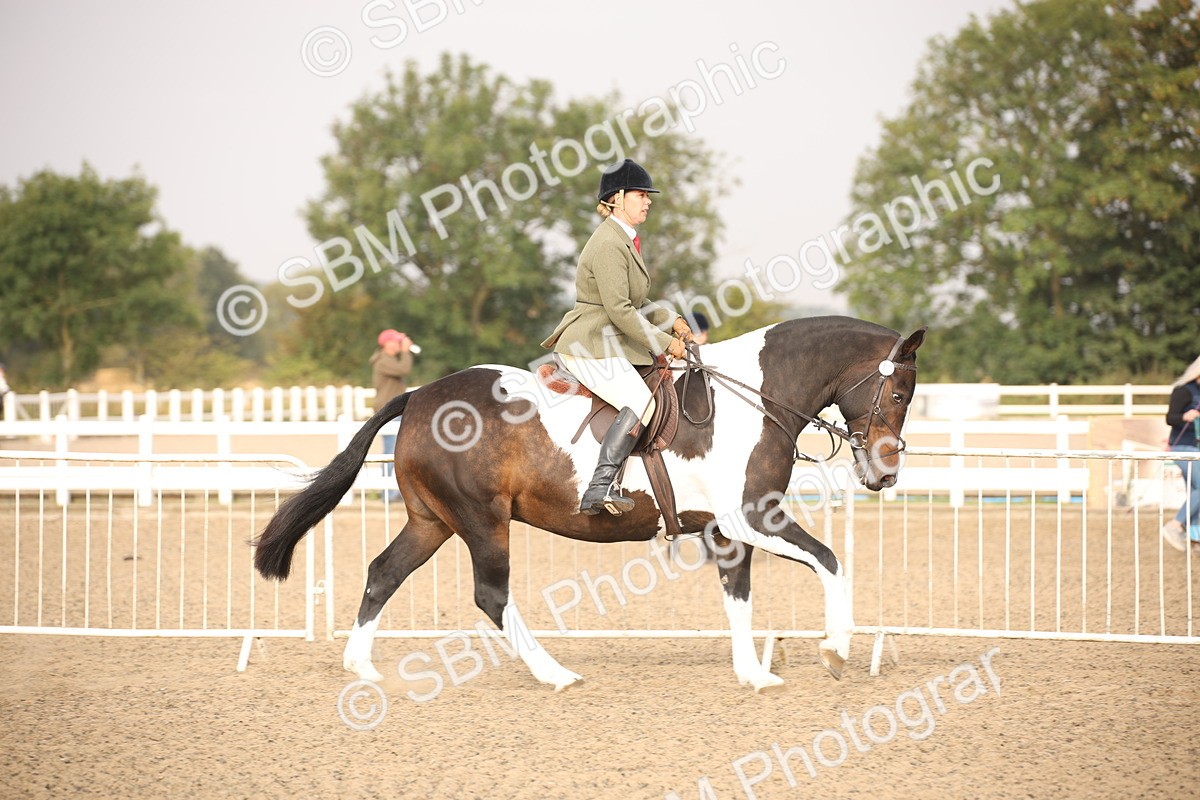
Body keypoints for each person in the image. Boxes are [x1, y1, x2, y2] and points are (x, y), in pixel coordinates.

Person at [542, 158, 692, 516]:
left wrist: (674, 321)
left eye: (647, 195)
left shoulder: (623, 241)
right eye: (641, 194)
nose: (648, 201)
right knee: (642, 401)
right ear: (617, 198)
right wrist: (665, 343)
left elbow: (637, 302)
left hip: (608, 340)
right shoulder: (609, 244)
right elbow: (620, 311)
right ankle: (600, 486)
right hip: (590, 343)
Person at [371, 329, 415, 502]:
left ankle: (390, 492)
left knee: (394, 450)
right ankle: (387, 494)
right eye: (396, 341)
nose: (398, 344)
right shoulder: (383, 362)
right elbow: (405, 369)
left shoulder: (386, 361)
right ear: (386, 344)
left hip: (393, 411)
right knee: (390, 450)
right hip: (388, 411)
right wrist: (405, 351)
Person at [1163, 355, 1200, 551]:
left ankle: (1194, 536)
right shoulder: (1183, 391)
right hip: (1183, 446)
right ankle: (1175, 524)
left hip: (1198, 448)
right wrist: (1186, 416)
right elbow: (1171, 418)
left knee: (1195, 491)